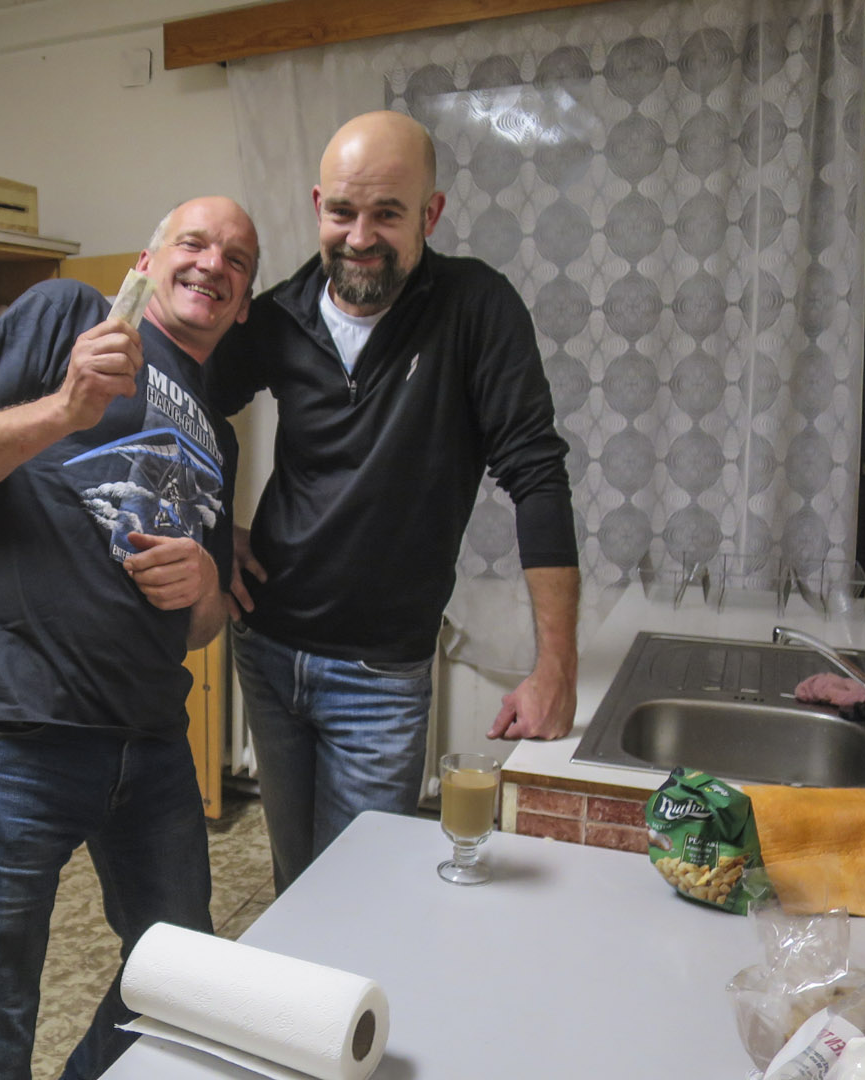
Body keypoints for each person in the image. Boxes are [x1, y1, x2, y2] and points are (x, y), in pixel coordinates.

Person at [0, 195, 259, 1080]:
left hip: (152, 744)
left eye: (237, 260)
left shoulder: (219, 435)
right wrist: (64, 408)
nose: (213, 264)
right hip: (19, 734)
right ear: (149, 261)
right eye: (195, 242)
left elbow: (203, 626)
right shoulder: (71, 316)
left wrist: (206, 583)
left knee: (182, 985)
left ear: (244, 303)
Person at [206, 110, 580, 893]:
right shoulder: (278, 317)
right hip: (267, 648)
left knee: (364, 896)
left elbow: (537, 476)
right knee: (297, 885)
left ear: (430, 214)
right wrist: (211, 531)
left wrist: (556, 667)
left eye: (387, 214)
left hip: (380, 676)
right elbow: (185, 405)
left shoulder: (475, 308)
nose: (360, 237)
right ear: (318, 207)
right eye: (343, 212)